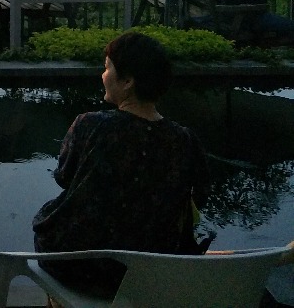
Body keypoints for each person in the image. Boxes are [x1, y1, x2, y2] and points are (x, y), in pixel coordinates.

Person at [32, 30, 212, 299]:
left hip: (82, 265)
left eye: (107, 68)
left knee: (50, 220)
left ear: (127, 81)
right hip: (152, 270)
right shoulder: (185, 140)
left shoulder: (91, 125)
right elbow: (200, 195)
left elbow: (64, 177)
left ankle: (59, 301)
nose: (103, 75)